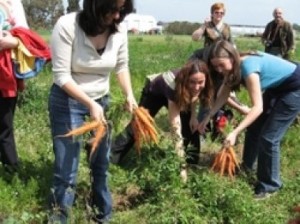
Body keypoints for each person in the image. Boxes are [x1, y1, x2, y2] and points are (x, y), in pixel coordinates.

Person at [47, 0, 137, 223]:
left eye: (121, 10)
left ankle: (102, 215)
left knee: (101, 163)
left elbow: (122, 65)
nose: (117, 16)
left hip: (101, 99)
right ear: (96, 5)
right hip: (67, 99)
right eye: (112, 9)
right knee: (66, 169)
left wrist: (129, 94)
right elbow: (61, 75)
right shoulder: (67, 26)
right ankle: (59, 218)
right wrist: (90, 103)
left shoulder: (119, 29)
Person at [198, 40, 300, 199]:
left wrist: (235, 132)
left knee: (269, 137)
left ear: (232, 57)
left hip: (295, 88)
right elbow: (223, 95)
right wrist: (207, 117)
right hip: (278, 88)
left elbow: (257, 108)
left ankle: (270, 186)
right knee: (254, 129)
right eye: (215, 66)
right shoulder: (232, 69)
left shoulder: (248, 68)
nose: (218, 70)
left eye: (221, 65)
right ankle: (247, 168)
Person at [110, 59, 214, 171]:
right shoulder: (174, 84)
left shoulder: (202, 81)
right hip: (155, 92)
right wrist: (181, 166)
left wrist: (193, 117)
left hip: (179, 92)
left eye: (200, 82)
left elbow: (194, 96)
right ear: (186, 79)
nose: (197, 86)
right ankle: (111, 158)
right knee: (138, 125)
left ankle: (192, 164)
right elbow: (175, 125)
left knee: (191, 127)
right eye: (192, 82)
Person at [0, 0, 28, 173]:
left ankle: (11, 169)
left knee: (5, 123)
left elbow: (25, 36)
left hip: (5, 74)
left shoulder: (13, 3)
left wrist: (14, 42)